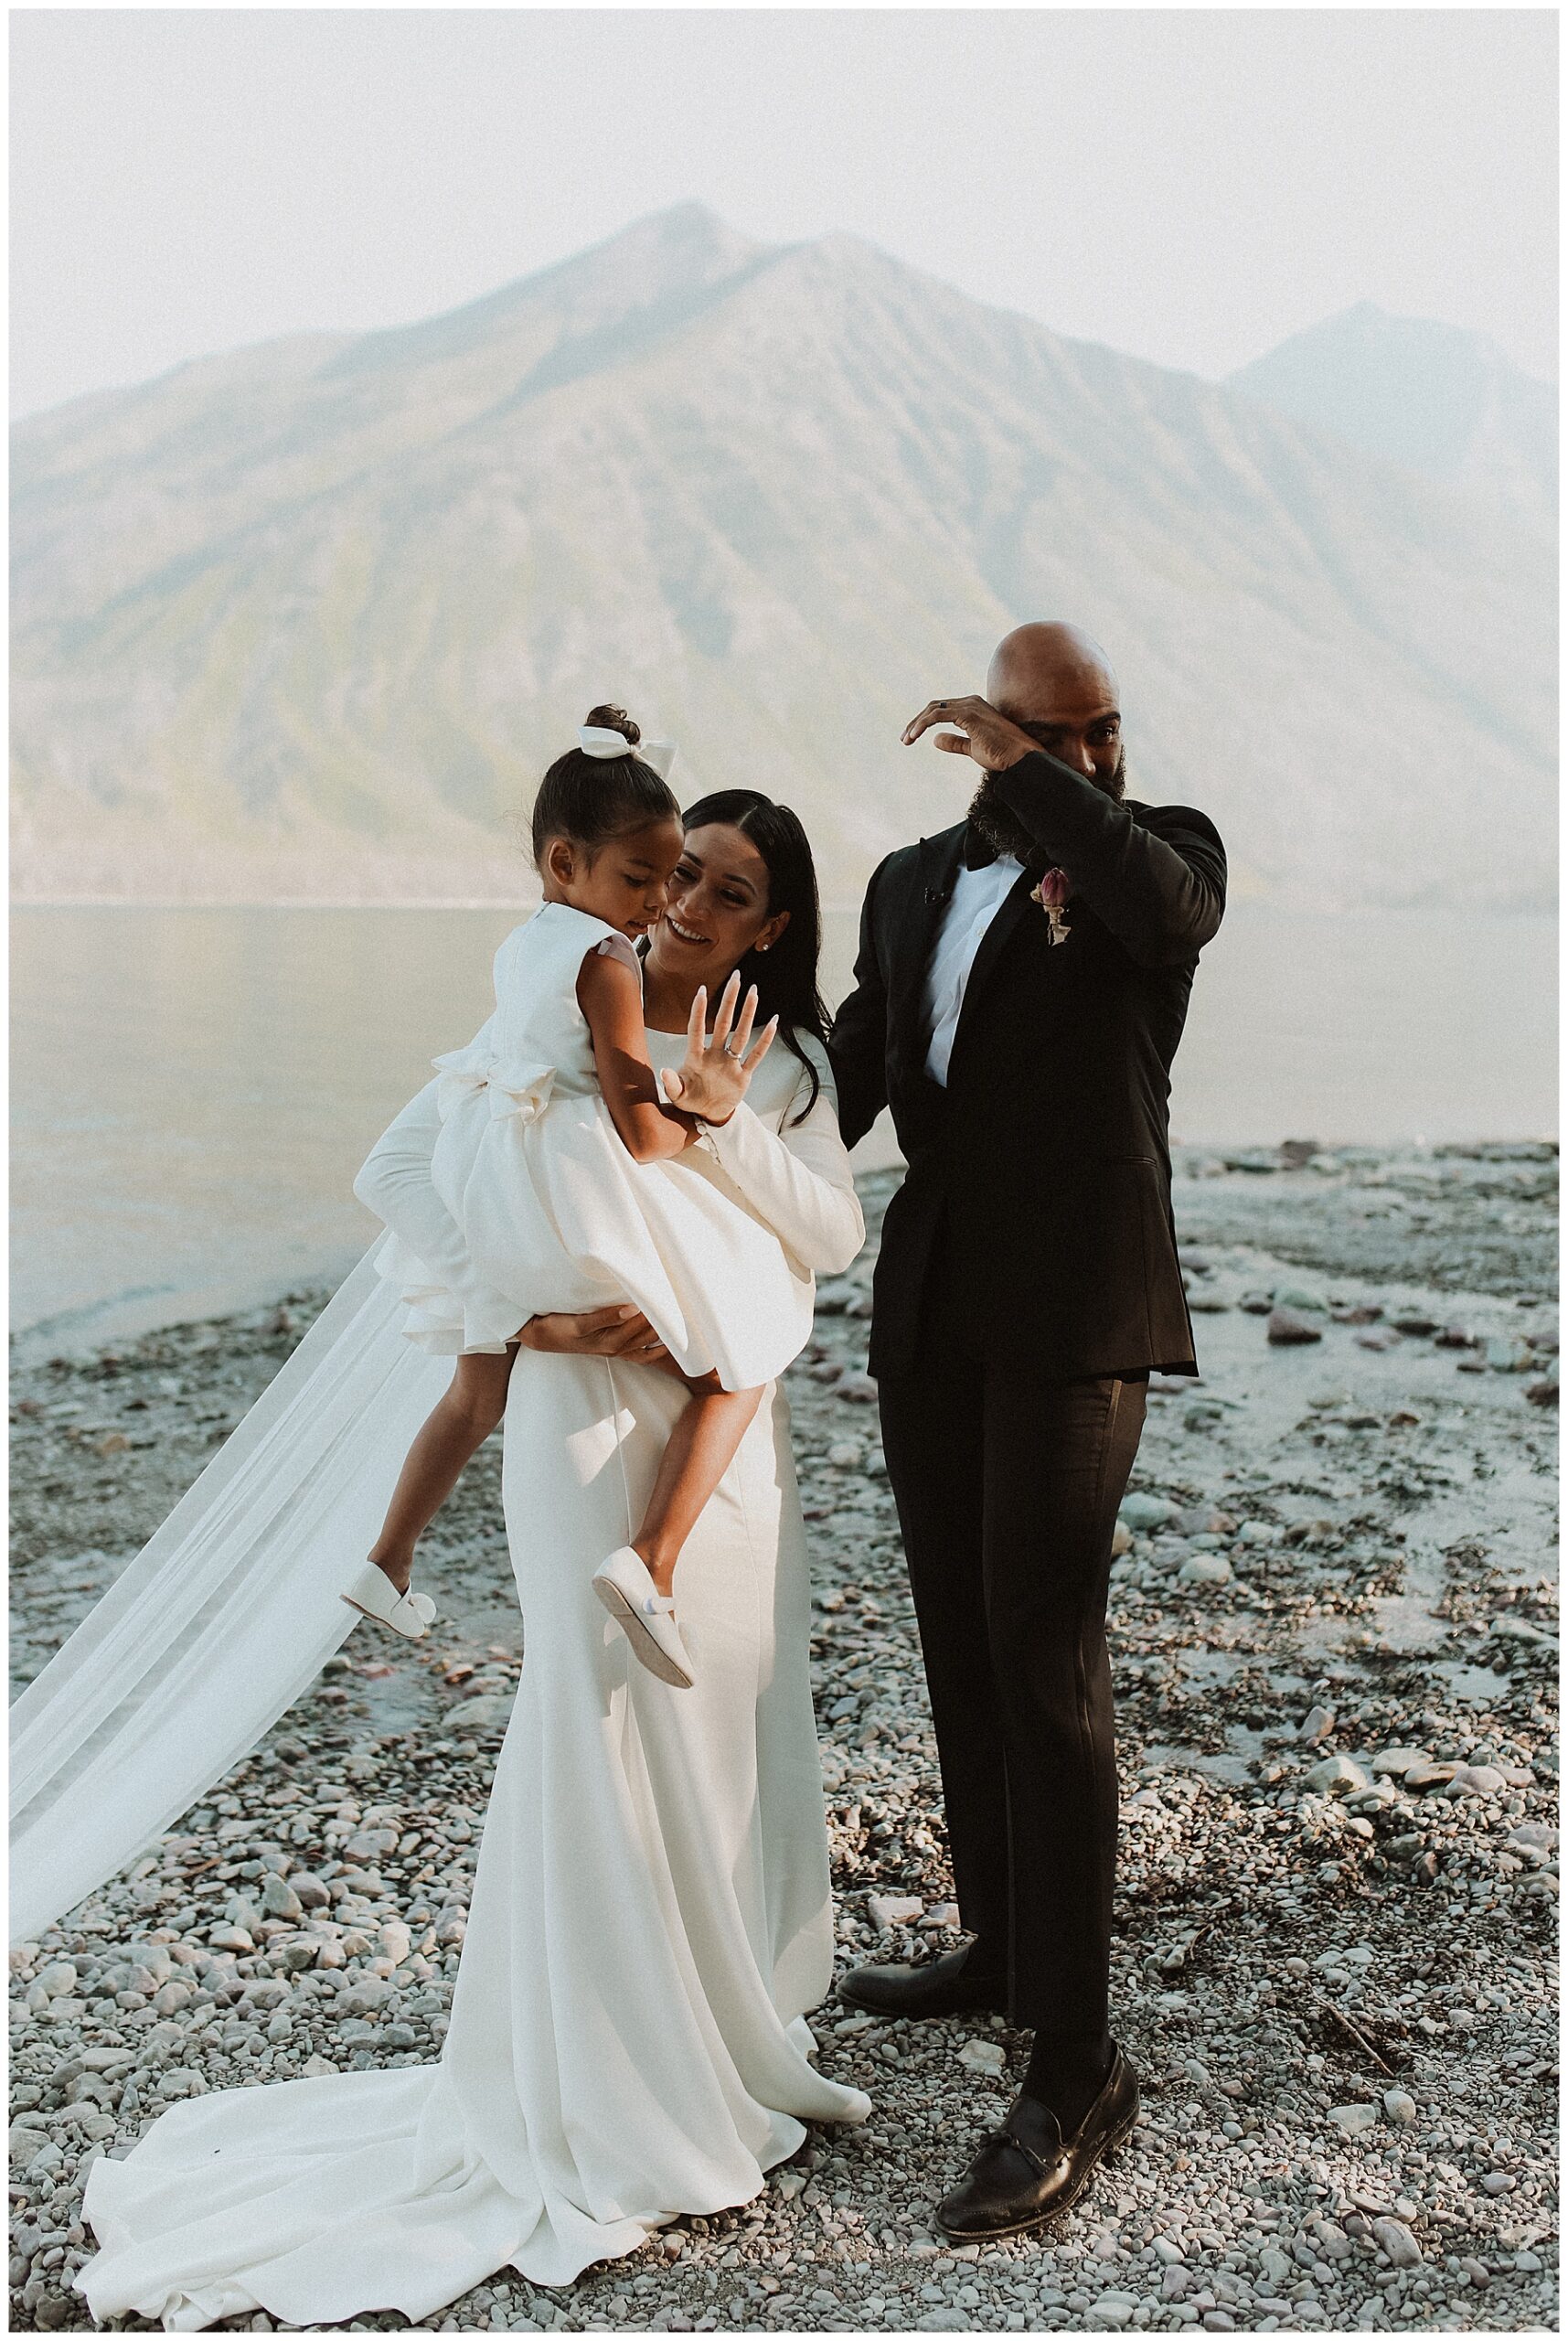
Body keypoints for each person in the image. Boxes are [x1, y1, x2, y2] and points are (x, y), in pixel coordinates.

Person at [75, 790, 872, 2328]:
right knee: (586, 1724)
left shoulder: (787, 1060)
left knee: (709, 1737)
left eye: (730, 891)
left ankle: (715, 2050)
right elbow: (429, 1189)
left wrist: (714, 1123)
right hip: (578, 1415)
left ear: (773, 925)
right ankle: (595, 2097)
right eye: (681, 874)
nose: (691, 904)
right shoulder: (578, 1004)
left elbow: (827, 1238)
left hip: (719, 1443)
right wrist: (530, 1322)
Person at [828, 622, 1226, 2239]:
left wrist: (1041, 778)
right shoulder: (914, 879)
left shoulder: (1157, 861)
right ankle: (998, 1938)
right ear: (990, 728)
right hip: (937, 1308)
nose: (1091, 756)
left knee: (1046, 1653)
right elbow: (858, 1056)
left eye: (1103, 730)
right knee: (957, 1640)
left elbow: (1157, 905)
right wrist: (694, 1125)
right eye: (1055, 732)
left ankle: (1075, 2062)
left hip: (1079, 1313)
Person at [344, 706, 800, 1691]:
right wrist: (710, 1111)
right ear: (564, 861)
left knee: (474, 1390)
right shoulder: (608, 963)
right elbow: (640, 1130)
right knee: (745, 1347)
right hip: (566, 1197)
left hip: (488, 1179)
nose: (653, 905)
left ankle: (388, 1558)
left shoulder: (526, 944)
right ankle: (651, 1562)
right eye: (640, 880)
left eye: (664, 878)